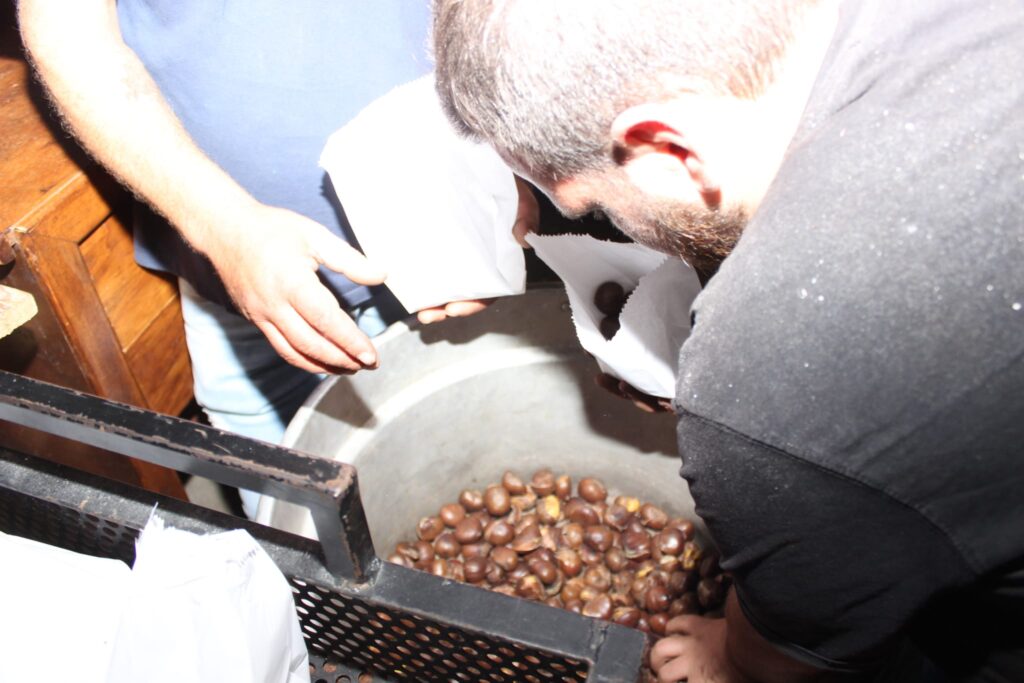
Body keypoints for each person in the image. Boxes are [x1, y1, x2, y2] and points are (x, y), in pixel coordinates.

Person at [431, 1, 1024, 681]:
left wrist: (730, 656)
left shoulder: (780, 381)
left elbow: (791, 657)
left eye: (594, 206)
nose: (603, 221)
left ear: (666, 149)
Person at [18, 0, 535, 519]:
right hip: (230, 263)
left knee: (477, 439)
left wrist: (511, 139)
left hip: (443, 223)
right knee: (290, 509)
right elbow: (72, 36)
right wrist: (224, 228)